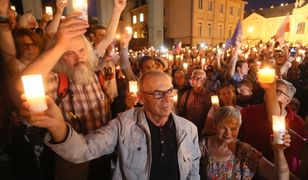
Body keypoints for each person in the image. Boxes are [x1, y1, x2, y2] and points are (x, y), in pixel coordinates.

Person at [21, 70, 201, 180]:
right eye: (158, 94)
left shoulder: (188, 129)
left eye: (169, 92)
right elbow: (82, 151)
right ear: (140, 97)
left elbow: (193, 169)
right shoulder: (123, 125)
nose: (167, 99)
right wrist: (57, 125)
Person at [20, 0, 127, 179]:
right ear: (59, 58)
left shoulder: (90, 70)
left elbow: (108, 38)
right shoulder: (57, 80)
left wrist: (117, 9)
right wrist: (60, 45)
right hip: (73, 160)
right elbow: (27, 80)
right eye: (69, 53)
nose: (79, 58)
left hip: (101, 153)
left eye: (81, 50)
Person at [199, 106, 291, 180]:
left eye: (233, 128)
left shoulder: (245, 151)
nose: (228, 133)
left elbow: (281, 177)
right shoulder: (201, 145)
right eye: (223, 128)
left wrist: (278, 151)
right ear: (215, 125)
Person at [239, 79, 305, 176]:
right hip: (247, 169)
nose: (271, 94)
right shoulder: (248, 112)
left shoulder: (298, 123)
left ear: (288, 100)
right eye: (270, 89)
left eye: (277, 92)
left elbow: (295, 156)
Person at [178, 69, 213, 134]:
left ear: (203, 80)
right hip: (187, 129)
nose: (194, 81)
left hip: (202, 130)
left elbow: (212, 114)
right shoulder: (186, 94)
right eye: (193, 78)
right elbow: (180, 111)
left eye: (197, 78)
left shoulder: (209, 96)